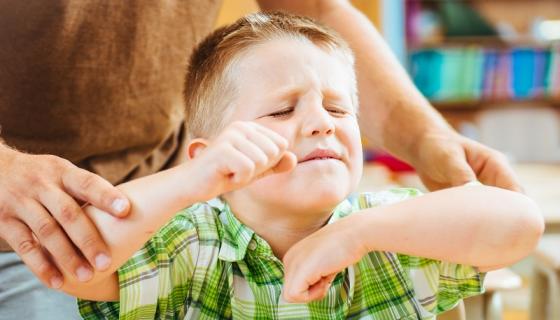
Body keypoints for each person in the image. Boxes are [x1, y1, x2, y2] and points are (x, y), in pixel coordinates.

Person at [0, 1, 522, 318]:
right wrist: (189, 183)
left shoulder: (388, 230)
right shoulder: (188, 244)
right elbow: (77, 262)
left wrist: (353, 234)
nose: (323, 122)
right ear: (211, 160)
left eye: (339, 108)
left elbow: (515, 223)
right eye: (281, 110)